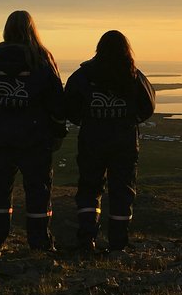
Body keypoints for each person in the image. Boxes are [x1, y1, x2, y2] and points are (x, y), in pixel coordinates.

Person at [0, 10, 67, 251]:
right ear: (32, 30)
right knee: (38, 190)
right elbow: (57, 102)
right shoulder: (42, 60)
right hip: (36, 141)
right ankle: (39, 242)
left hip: (0, 140)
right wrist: (57, 132)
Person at [64, 30, 155, 253]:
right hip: (124, 141)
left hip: (92, 139)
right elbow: (148, 105)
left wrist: (87, 120)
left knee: (89, 188)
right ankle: (118, 242)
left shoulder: (83, 74)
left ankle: (86, 240)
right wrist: (129, 120)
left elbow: (69, 105)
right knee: (122, 190)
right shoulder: (133, 75)